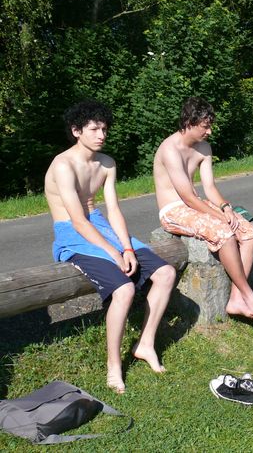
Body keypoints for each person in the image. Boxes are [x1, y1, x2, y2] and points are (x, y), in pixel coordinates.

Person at [45, 101, 176, 394]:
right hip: (72, 233)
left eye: (104, 129)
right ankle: (114, 365)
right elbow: (78, 220)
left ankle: (145, 344)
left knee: (166, 273)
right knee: (124, 289)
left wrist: (127, 248)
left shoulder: (106, 163)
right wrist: (113, 253)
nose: (101, 135)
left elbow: (113, 210)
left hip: (101, 227)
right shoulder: (63, 165)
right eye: (94, 129)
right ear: (76, 131)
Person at [153, 96, 253, 321]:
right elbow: (187, 197)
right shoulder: (170, 149)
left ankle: (236, 299)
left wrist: (225, 208)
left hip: (196, 205)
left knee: (248, 233)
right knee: (223, 232)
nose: (209, 131)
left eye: (210, 126)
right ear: (189, 123)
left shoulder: (204, 148)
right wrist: (219, 217)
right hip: (173, 210)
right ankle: (249, 295)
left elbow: (209, 188)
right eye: (205, 126)